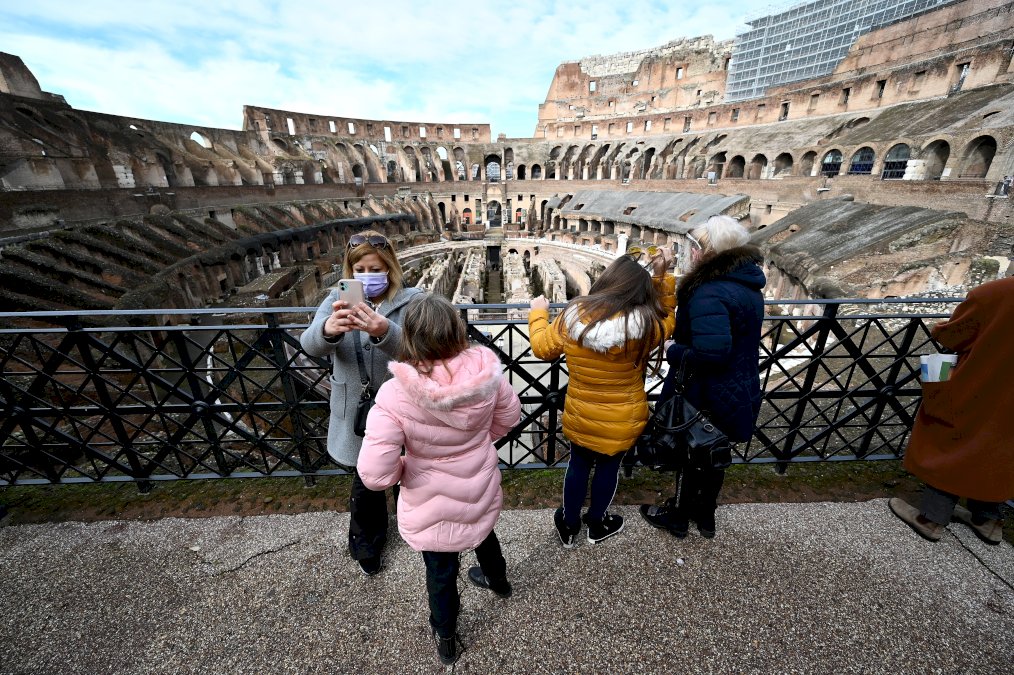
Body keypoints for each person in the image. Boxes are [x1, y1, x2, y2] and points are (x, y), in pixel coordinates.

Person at [357, 293, 521, 665]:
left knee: (441, 569)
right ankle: (500, 583)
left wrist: (407, 468)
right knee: (482, 534)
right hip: (476, 481)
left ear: (410, 338)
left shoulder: (395, 393)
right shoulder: (486, 375)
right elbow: (510, 418)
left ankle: (446, 637)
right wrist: (477, 443)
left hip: (429, 497)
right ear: (457, 332)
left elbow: (375, 473)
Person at [529, 250, 676, 546]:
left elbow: (541, 349)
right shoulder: (647, 325)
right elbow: (669, 316)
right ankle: (597, 525)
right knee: (609, 468)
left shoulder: (573, 317)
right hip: (623, 418)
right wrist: (663, 276)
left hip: (581, 413)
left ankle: (569, 526)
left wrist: (538, 313)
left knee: (578, 465)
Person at [299, 230, 423, 576]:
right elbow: (309, 345)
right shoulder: (339, 296)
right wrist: (328, 330)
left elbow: (422, 350)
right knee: (366, 483)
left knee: (410, 476)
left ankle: (414, 530)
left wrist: (385, 331)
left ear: (391, 268)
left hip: (403, 411)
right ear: (350, 271)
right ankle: (367, 544)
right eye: (360, 269)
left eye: (376, 268)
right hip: (357, 410)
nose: (368, 276)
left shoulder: (414, 300)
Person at [640, 215, 766, 539]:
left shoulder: (708, 292)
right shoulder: (748, 285)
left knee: (691, 451)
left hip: (706, 390)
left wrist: (672, 349)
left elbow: (712, 352)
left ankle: (679, 517)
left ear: (709, 252)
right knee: (715, 452)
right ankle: (706, 518)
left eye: (696, 246)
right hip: (739, 385)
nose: (691, 252)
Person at [888, 274, 1014, 545]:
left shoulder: (994, 292)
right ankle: (988, 520)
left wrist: (939, 328)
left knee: (951, 440)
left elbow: (954, 335)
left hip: (979, 385)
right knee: (1000, 450)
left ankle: (931, 518)